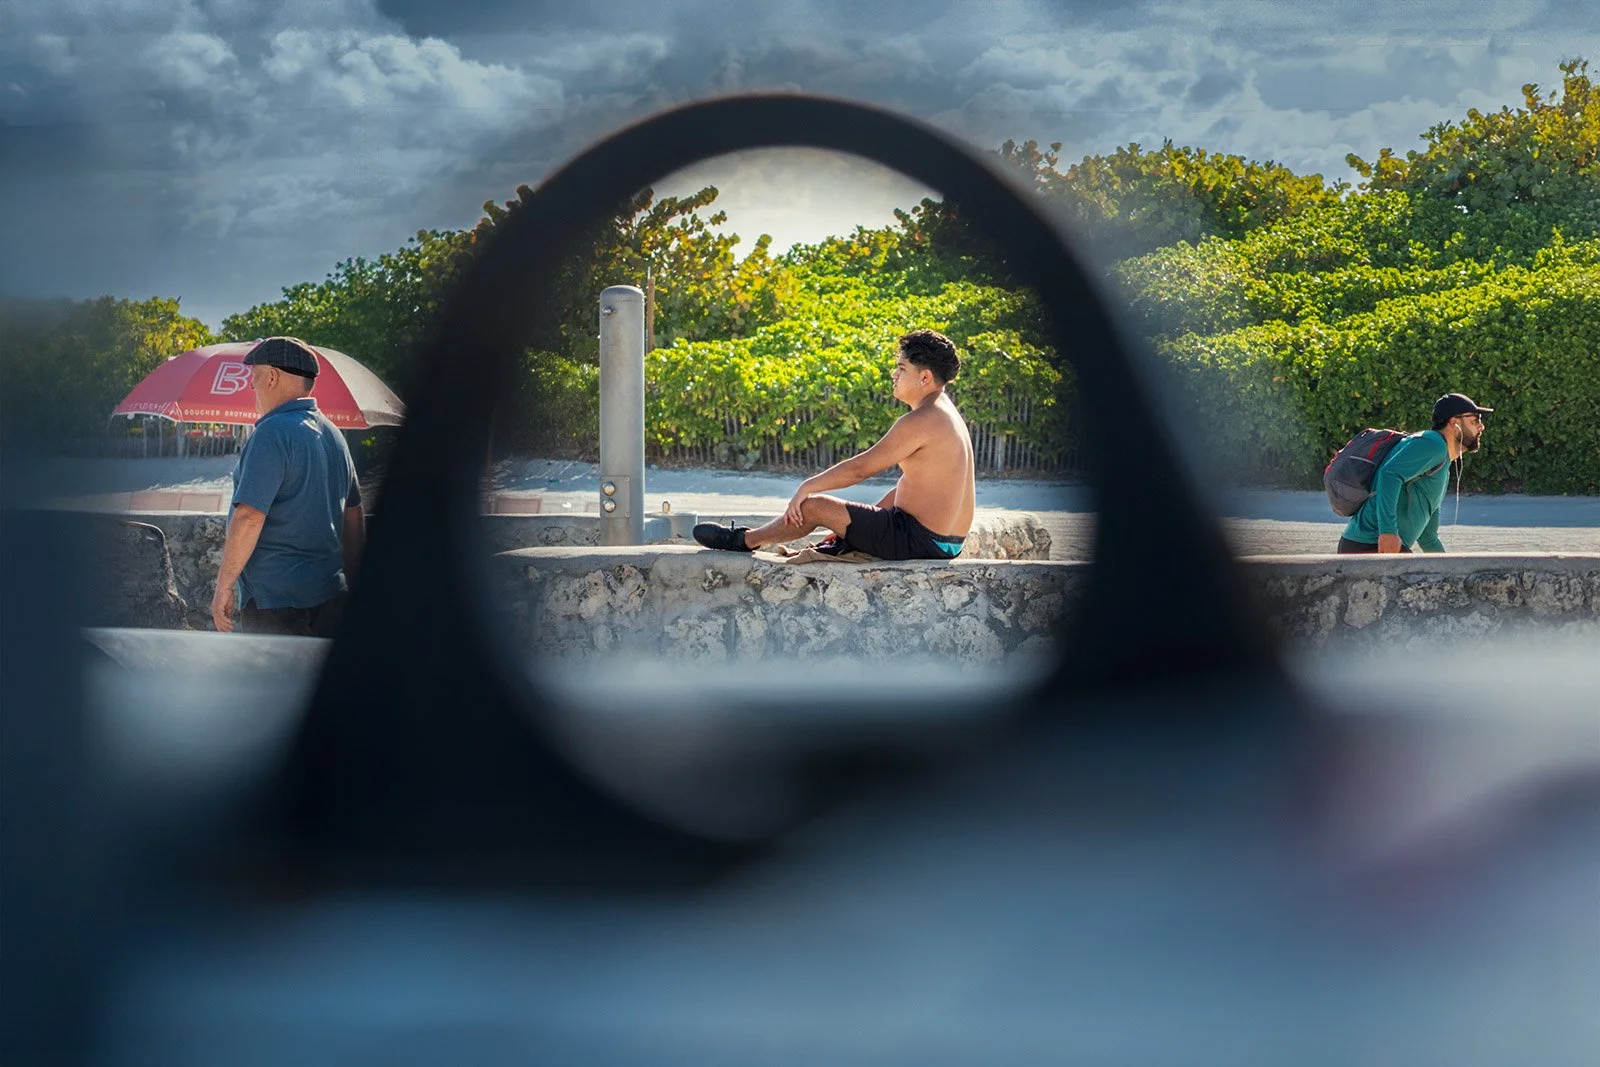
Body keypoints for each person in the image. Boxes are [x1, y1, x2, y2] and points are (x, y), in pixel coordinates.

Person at [693, 329, 976, 560]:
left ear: (924, 377)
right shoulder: (947, 415)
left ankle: (743, 540)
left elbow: (859, 469)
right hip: (947, 543)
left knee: (815, 506)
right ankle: (823, 538)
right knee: (837, 514)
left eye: (901, 368)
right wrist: (853, 528)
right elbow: (914, 487)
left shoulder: (921, 419)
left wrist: (808, 486)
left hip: (918, 540)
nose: (894, 375)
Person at [211, 336, 365, 635]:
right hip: (331, 595)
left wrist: (223, 588)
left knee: (271, 683)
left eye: (253, 377)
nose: (250, 386)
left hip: (277, 602)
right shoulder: (335, 435)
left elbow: (249, 516)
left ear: (271, 377)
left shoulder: (271, 432)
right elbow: (354, 516)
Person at [1337, 392, 1491, 554]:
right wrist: (1387, 531)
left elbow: (1428, 536)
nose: (1481, 427)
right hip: (1370, 544)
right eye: (1475, 421)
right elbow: (1389, 474)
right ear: (1454, 423)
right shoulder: (1433, 444)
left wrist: (1449, 570)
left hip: (1377, 544)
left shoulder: (1441, 463)